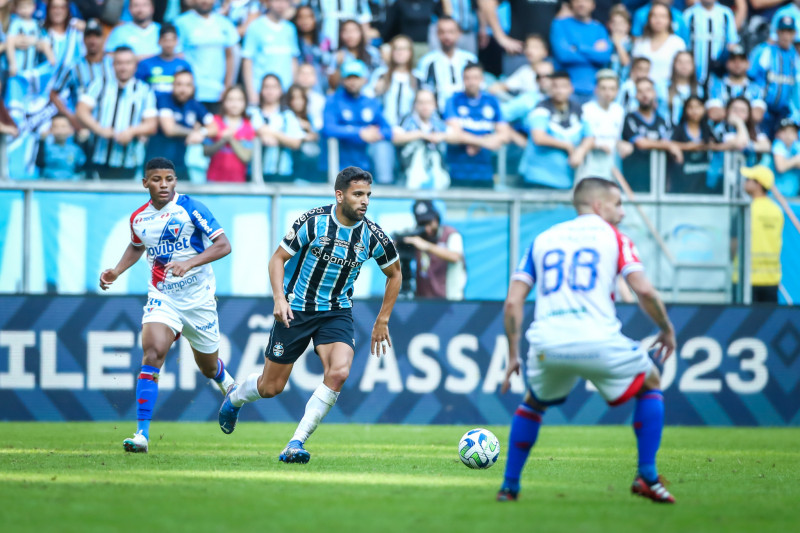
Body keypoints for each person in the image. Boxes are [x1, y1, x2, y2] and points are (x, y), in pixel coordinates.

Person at [497, 176, 677, 504]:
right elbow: (645, 291)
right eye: (618, 204)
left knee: (533, 403)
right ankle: (647, 476)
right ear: (599, 205)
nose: (622, 212)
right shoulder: (614, 237)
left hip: (548, 342)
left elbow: (513, 302)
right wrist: (666, 328)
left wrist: (513, 354)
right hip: (598, 339)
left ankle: (509, 486)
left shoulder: (542, 239)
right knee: (651, 381)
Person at [218, 166, 402, 463]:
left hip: (336, 312)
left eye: (368, 195)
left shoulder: (372, 236)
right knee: (271, 387)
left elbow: (394, 273)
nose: (365, 201)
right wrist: (279, 299)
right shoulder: (312, 222)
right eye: (358, 194)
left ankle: (295, 443)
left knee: (340, 372)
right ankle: (236, 396)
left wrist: (383, 319)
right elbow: (278, 259)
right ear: (339, 195)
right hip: (297, 309)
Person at [99, 156, 235, 453]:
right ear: (145, 182)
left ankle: (229, 386)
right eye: (157, 179)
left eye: (169, 179)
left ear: (176, 181)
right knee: (152, 353)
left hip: (199, 300)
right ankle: (141, 435)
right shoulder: (139, 218)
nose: (164, 185)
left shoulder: (191, 208)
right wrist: (116, 271)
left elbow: (223, 245)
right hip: (163, 297)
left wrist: (190, 262)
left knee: (208, 368)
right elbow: (137, 246)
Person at [76, 46, 158, 180]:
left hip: (129, 161)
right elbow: (81, 111)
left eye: (128, 63)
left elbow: (151, 125)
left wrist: (131, 131)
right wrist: (99, 129)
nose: (123, 67)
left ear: (135, 66)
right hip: (97, 157)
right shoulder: (99, 84)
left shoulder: (144, 91)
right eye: (119, 63)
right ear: (113, 65)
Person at [519, 71, 593, 189]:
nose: (559, 90)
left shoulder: (578, 110)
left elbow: (589, 136)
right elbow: (539, 137)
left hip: (566, 180)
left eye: (563, 86)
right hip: (539, 178)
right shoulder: (540, 108)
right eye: (555, 86)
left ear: (571, 88)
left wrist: (581, 151)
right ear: (550, 89)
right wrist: (567, 146)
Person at [444, 62, 509, 188]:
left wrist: (474, 142)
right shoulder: (453, 100)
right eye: (467, 78)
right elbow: (454, 134)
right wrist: (484, 142)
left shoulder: (492, 101)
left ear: (482, 79)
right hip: (457, 171)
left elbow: (505, 135)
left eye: (475, 78)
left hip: (485, 172)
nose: (471, 82)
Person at [322, 59, 392, 175]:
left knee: (383, 146)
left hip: (366, 166)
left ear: (364, 80)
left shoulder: (371, 103)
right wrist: (360, 132)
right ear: (343, 80)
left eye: (356, 77)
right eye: (349, 78)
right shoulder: (333, 100)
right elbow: (328, 128)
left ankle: (386, 185)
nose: (352, 82)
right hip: (340, 167)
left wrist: (375, 133)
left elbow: (388, 130)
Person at [147, 69, 214, 181]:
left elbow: (214, 127)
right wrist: (193, 132)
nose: (183, 89)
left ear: (193, 87)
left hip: (180, 166)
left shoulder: (195, 105)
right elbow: (169, 129)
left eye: (188, 85)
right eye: (179, 84)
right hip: (157, 166)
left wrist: (202, 132)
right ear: (173, 85)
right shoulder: (164, 99)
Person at [174, 0, 239, 115]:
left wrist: (227, 87)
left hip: (218, 92)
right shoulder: (181, 23)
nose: (205, 1)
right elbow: (178, 57)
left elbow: (230, 56)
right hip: (191, 92)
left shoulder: (225, 23)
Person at [619, 77, 682, 192]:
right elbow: (641, 143)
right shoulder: (629, 118)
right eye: (640, 91)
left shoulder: (662, 121)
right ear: (635, 95)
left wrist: (669, 145)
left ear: (654, 93)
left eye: (648, 90)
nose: (644, 95)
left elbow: (667, 141)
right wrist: (668, 146)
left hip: (659, 180)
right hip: (635, 179)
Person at [549, 0, 613, 103]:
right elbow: (563, 55)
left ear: (593, 5)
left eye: (586, 1)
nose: (581, 4)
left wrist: (578, 47)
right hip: (566, 91)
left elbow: (604, 57)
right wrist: (593, 51)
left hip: (595, 91)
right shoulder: (559, 24)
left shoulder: (599, 29)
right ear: (571, 4)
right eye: (577, 0)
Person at [402, 199, 466, 300]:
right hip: (423, 301)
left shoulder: (451, 234)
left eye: (429, 222)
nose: (427, 228)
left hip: (450, 302)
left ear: (436, 219)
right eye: (422, 224)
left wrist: (426, 246)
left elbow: (455, 256)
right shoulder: (418, 237)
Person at [739, 165, 784, 303]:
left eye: (748, 179)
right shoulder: (777, 210)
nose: (745, 182)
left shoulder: (747, 210)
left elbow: (733, 246)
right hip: (771, 279)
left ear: (758, 184)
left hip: (747, 279)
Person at [242, 0, 299, 105]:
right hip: (262, 93)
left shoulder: (290, 29)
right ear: (268, 2)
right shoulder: (255, 27)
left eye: (285, 1)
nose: (281, 5)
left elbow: (293, 60)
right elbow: (247, 61)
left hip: (285, 93)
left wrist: (294, 89)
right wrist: (251, 93)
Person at [415, 16, 478, 113]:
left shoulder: (470, 60)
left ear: (459, 33)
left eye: (451, 32)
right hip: (437, 116)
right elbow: (423, 92)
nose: (447, 36)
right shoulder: (427, 61)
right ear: (437, 34)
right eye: (442, 32)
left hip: (468, 114)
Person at [250, 74, 305, 182]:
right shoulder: (252, 113)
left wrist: (273, 134)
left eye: (274, 87)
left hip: (283, 172)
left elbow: (296, 142)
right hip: (253, 172)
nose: (270, 91)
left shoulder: (288, 116)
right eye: (266, 87)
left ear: (280, 91)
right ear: (261, 90)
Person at [749, 16, 798, 136]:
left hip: (784, 111)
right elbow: (750, 77)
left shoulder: (795, 56)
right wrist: (756, 102)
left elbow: (795, 88)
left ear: (794, 34)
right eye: (783, 31)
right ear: (777, 32)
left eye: (789, 32)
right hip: (763, 108)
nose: (786, 36)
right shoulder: (764, 50)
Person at [393, 89, 450, 189]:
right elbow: (395, 138)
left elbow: (455, 135)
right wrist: (420, 135)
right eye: (421, 102)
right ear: (415, 105)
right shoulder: (407, 120)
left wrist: (441, 136)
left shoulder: (438, 122)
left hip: (435, 170)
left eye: (428, 102)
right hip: (410, 171)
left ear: (435, 105)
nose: (425, 106)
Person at [204, 85, 254, 182]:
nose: (234, 104)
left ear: (245, 103)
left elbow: (246, 157)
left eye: (239, 100)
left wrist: (230, 138)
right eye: (230, 99)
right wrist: (222, 140)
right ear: (224, 102)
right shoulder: (214, 122)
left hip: (238, 182)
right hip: (213, 180)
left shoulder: (249, 126)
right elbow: (206, 152)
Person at [580, 69, 624, 181]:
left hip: (611, 165)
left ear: (617, 91)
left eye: (612, 89)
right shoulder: (586, 109)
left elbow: (618, 138)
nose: (608, 93)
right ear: (596, 90)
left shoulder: (619, 111)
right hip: (589, 165)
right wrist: (598, 145)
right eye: (603, 88)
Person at [705, 44, 766, 124]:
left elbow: (757, 115)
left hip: (747, 134)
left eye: (741, 60)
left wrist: (727, 112)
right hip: (721, 134)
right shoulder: (716, 86)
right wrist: (744, 112)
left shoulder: (756, 88)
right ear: (727, 63)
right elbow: (714, 113)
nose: (737, 64)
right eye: (733, 60)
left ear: (748, 64)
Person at [683, 0, 739, 85]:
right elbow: (684, 44)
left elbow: (732, 43)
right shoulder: (689, 14)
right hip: (693, 73)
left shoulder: (726, 14)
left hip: (720, 74)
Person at [631, 1, 686, 87]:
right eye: (654, 16)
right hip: (643, 91)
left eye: (663, 16)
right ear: (648, 19)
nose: (658, 20)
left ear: (669, 20)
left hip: (670, 89)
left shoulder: (678, 43)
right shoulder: (640, 43)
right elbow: (634, 71)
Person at [668, 95, 715, 193]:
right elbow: (668, 143)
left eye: (698, 107)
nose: (694, 111)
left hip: (702, 182)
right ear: (685, 110)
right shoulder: (678, 129)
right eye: (691, 107)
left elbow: (718, 145)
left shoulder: (708, 129)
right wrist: (687, 147)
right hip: (681, 182)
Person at [135, 23, 192, 98]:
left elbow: (190, 90)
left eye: (172, 40)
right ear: (159, 41)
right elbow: (136, 88)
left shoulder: (184, 65)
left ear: (177, 42)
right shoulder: (145, 64)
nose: (169, 44)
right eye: (165, 40)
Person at [326, 18, 383, 91]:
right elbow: (333, 85)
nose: (350, 35)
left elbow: (381, 73)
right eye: (346, 31)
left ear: (361, 33)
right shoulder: (338, 55)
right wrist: (338, 65)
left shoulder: (373, 53)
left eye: (353, 31)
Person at [489, 34, 549, 100]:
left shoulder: (552, 71)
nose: (530, 50)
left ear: (545, 52)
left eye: (535, 47)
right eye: (527, 47)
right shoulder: (524, 71)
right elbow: (503, 86)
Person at [5, 0, 55, 77]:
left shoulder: (37, 24)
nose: (25, 10)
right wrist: (12, 64)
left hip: (32, 70)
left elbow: (45, 41)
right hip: (18, 70)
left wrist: (51, 58)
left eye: (27, 6)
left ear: (33, 7)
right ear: (16, 9)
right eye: (22, 7)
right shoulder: (16, 23)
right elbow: (9, 42)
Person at [658, 50, 704, 127]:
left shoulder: (698, 89)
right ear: (674, 64)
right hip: (664, 131)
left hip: (687, 133)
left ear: (693, 66)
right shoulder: (661, 86)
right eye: (680, 62)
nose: (684, 66)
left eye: (688, 62)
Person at [35, 113, 86, 179]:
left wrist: (83, 142)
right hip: (49, 186)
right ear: (50, 129)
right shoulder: (46, 148)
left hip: (70, 186)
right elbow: (39, 164)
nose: (59, 130)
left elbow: (82, 166)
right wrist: (42, 141)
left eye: (63, 126)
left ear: (71, 130)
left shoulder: (75, 149)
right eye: (56, 126)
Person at [771, 118, 800, 197]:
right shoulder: (778, 144)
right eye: (784, 131)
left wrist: (789, 162)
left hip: (794, 195)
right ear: (778, 134)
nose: (788, 135)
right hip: (776, 196)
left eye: (792, 131)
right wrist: (795, 160)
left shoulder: (796, 146)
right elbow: (781, 167)